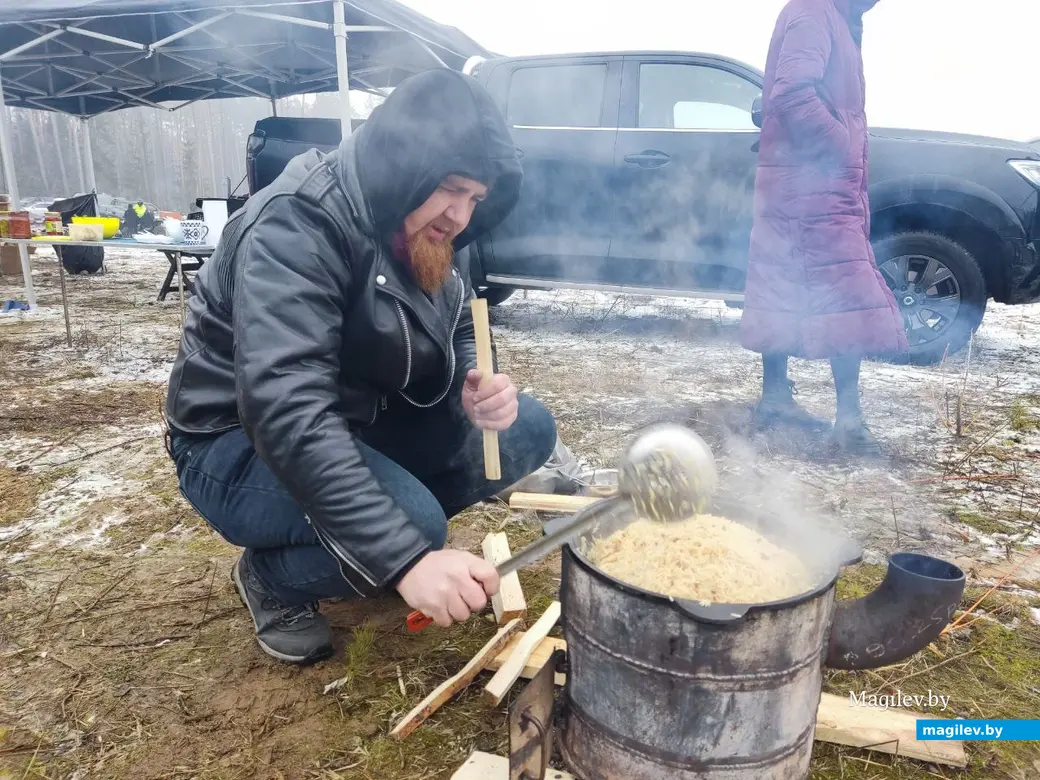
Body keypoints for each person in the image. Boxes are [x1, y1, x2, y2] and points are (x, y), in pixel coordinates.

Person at [163, 69, 557, 665]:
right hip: (234, 439)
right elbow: (285, 407)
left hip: (356, 418)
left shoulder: (432, 222)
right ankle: (274, 576)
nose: (461, 215)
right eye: (452, 188)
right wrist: (405, 559)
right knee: (414, 531)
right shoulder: (299, 222)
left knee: (524, 429)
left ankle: (360, 545)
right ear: (406, 163)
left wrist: (472, 383)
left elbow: (456, 323)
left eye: (476, 198)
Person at [740, 0, 908, 455]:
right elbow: (793, 92)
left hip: (803, 184)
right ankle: (848, 420)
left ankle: (775, 399)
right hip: (811, 185)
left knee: (782, 282)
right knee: (845, 290)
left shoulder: (836, 18)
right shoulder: (814, 11)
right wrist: (841, 148)